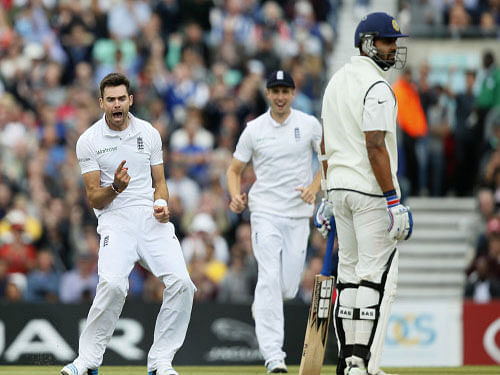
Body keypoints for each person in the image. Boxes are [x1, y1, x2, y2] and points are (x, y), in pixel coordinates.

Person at [61, 73, 195, 375]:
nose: (117, 104)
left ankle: (160, 362)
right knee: (112, 284)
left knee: (183, 284)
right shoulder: (89, 141)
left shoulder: (148, 133)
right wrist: (117, 188)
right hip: (114, 219)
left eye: (122, 98)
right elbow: (95, 198)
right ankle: (87, 361)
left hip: (150, 218)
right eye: (111, 99)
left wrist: (162, 205)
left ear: (130, 100)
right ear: (102, 103)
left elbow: (160, 183)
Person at [319, 12, 413, 375]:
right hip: (370, 191)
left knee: (350, 275)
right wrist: (393, 199)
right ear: (368, 43)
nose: (393, 49)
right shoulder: (376, 87)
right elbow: (375, 145)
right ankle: (365, 364)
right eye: (388, 42)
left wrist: (328, 193)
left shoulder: (335, 81)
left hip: (340, 189)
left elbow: (325, 145)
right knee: (377, 275)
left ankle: (349, 361)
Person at [226, 69, 322, 374]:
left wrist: (314, 188)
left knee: (288, 288)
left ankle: (263, 303)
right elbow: (234, 170)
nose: (280, 96)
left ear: (293, 94)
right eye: (275, 91)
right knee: (268, 277)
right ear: (268, 94)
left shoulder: (309, 125)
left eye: (285, 91)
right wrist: (235, 196)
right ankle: (274, 358)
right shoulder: (254, 129)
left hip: (297, 215)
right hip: (265, 210)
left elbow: (327, 163)